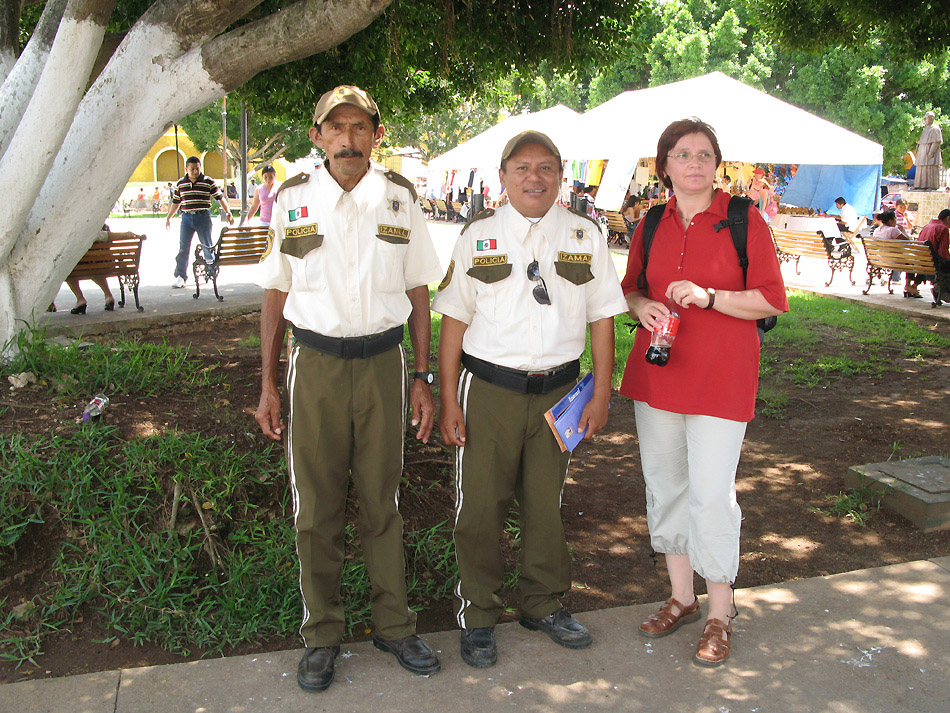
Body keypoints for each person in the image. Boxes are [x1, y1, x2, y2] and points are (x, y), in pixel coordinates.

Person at [254, 85, 443, 692]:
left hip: (386, 366)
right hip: (315, 367)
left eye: (360, 127)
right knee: (316, 506)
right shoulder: (293, 201)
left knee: (383, 501)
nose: (348, 138)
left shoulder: (399, 199)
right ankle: (322, 635)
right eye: (336, 128)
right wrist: (267, 382)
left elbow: (420, 292)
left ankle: (394, 624)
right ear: (317, 137)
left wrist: (421, 374)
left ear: (376, 136)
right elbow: (275, 294)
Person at [432, 130, 627, 669]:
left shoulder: (585, 234)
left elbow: (602, 316)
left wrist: (602, 392)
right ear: (503, 176)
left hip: (560, 392)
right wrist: (448, 400)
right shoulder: (478, 235)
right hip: (488, 391)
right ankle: (479, 615)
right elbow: (453, 321)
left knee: (547, 506)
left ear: (561, 177)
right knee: (479, 507)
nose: (533, 178)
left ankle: (544, 603)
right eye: (522, 168)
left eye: (545, 168)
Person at [620, 118, 787, 667]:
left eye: (704, 154)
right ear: (663, 164)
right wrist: (641, 306)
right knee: (664, 488)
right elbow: (631, 287)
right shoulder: (648, 224)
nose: (694, 163)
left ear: (717, 164)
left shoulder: (743, 221)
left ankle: (721, 612)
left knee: (711, 496)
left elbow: (769, 300)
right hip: (658, 375)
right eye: (681, 154)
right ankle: (680, 598)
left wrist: (711, 297)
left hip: (721, 379)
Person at [165, 156, 233, 288]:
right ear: (186, 169)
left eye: (197, 168)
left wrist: (229, 213)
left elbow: (220, 198)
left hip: (203, 217)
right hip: (186, 218)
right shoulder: (180, 184)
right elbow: (176, 202)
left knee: (207, 245)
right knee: (183, 247)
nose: (195, 172)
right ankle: (180, 276)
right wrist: (168, 217)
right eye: (192, 169)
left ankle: (211, 271)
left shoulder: (208, 181)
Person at [873, 210, 920, 297]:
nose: (896, 222)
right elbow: (908, 242)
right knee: (912, 261)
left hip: (881, 259)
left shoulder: (877, 230)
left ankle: (908, 286)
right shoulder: (893, 230)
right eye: (895, 219)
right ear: (891, 221)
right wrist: (903, 231)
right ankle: (908, 285)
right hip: (895, 261)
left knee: (910, 260)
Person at [914, 111, 943, 190]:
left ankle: (931, 186)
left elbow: (936, 142)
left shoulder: (935, 128)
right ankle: (920, 185)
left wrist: (931, 152)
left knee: (930, 169)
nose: (924, 120)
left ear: (931, 118)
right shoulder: (925, 129)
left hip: (929, 153)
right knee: (921, 169)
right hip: (922, 153)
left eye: (926, 118)